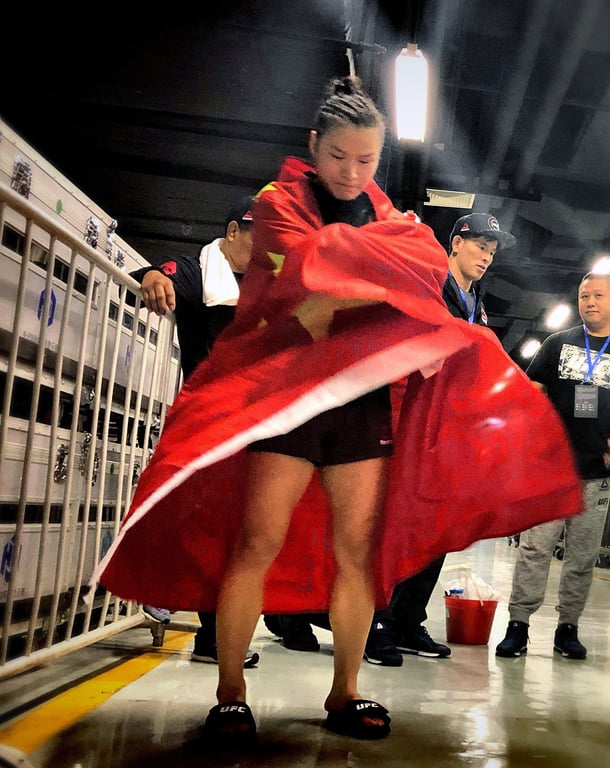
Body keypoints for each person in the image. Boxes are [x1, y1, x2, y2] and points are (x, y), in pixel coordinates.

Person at [94, 74, 584, 744]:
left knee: (357, 551)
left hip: (360, 403)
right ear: (313, 145)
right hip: (286, 399)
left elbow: (394, 277)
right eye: (338, 157)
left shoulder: (389, 217)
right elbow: (310, 290)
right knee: (256, 542)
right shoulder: (276, 204)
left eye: (367, 161)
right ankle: (231, 693)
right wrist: (381, 275)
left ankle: (345, 690)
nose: (352, 173)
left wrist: (363, 275)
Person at [365, 211, 516, 666]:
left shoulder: (477, 301)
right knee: (398, 529)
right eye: (479, 247)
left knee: (437, 530)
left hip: (447, 431)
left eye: (491, 251)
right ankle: (376, 625)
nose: (486, 257)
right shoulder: (430, 285)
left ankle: (408, 621)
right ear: (455, 243)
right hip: (410, 423)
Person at [130, 196, 261, 668]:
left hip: (251, 425)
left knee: (231, 532)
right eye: (255, 235)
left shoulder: (265, 283)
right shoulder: (202, 270)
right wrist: (152, 277)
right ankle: (163, 586)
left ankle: (213, 639)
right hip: (205, 419)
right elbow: (158, 273)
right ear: (232, 232)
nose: (263, 246)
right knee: (193, 516)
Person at [496, 272, 610, 660]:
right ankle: (519, 625)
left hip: (597, 472)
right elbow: (532, 390)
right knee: (535, 549)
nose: (589, 302)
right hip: (549, 470)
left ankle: (568, 627)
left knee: (582, 556)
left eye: (598, 295)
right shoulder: (556, 343)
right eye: (584, 296)